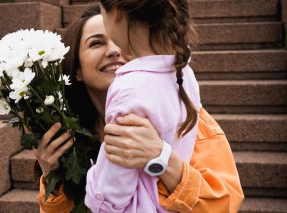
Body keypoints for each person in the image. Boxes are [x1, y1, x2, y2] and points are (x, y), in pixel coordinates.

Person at [35, 3, 244, 212]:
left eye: (115, 39)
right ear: (77, 69)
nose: (114, 50)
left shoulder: (191, 119)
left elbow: (225, 204)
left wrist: (163, 159)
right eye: (97, 43)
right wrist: (51, 176)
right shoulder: (68, 135)